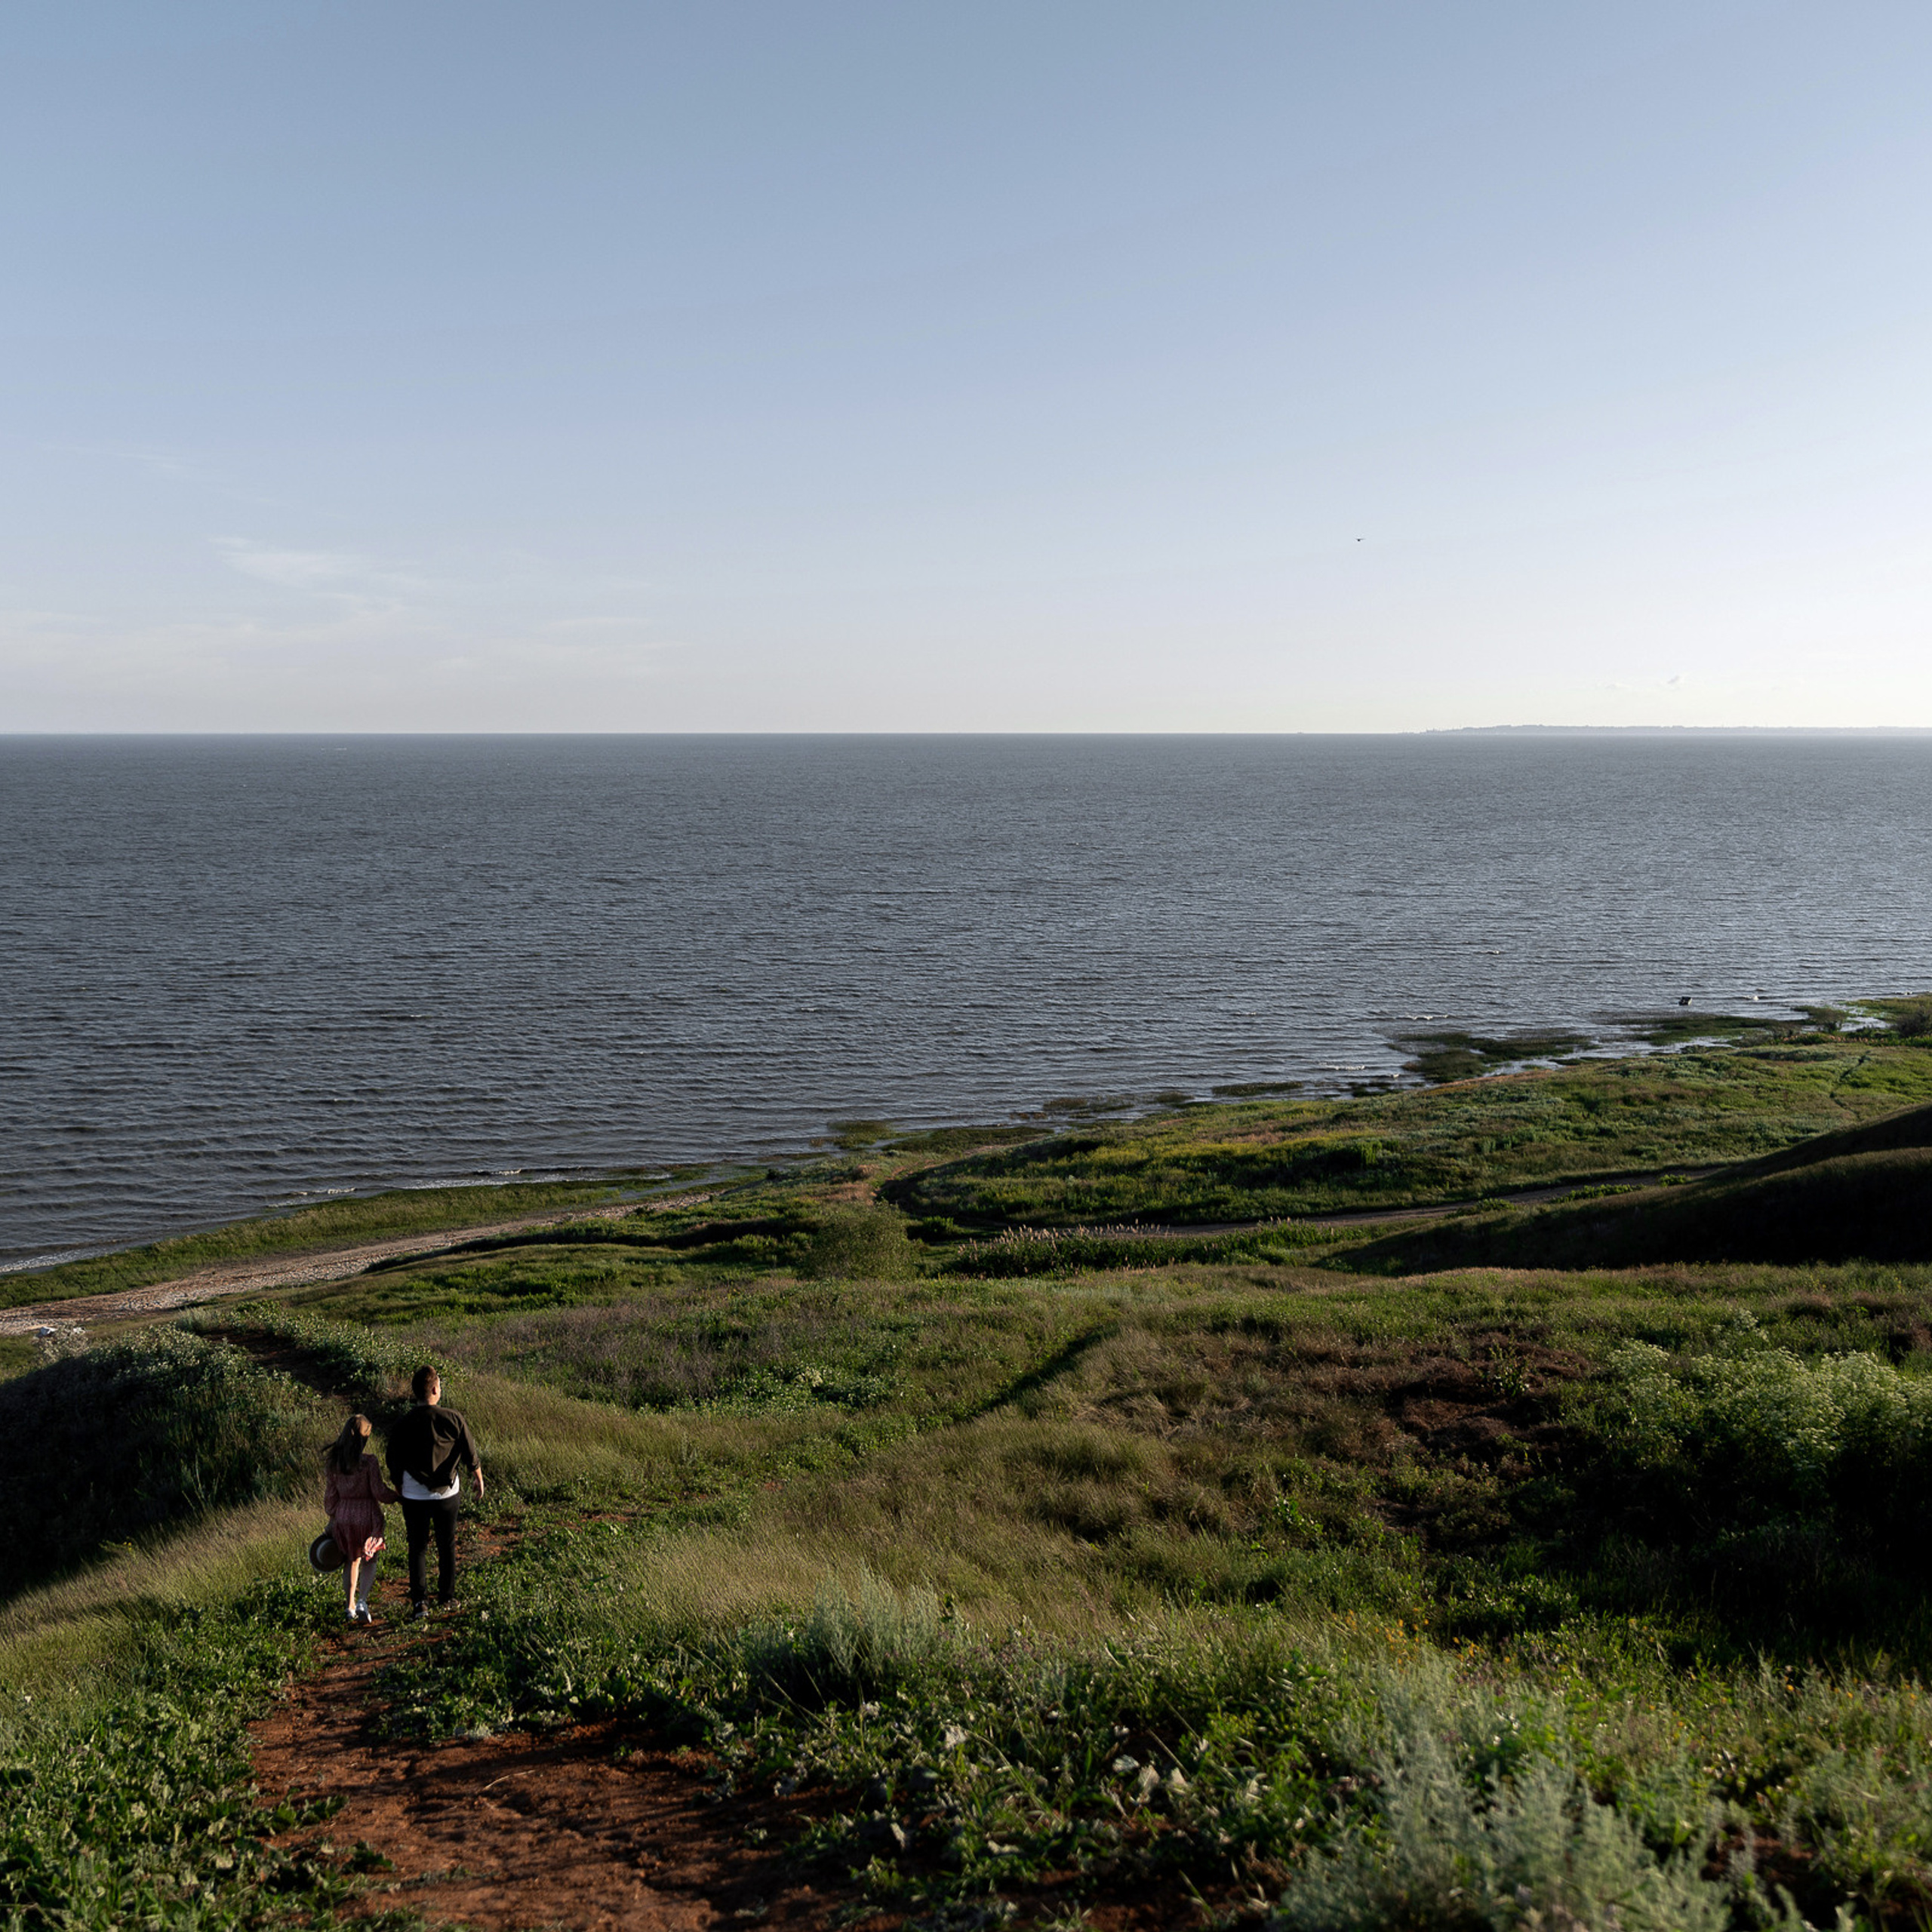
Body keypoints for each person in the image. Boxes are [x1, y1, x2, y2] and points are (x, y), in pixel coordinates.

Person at [386, 1365, 485, 1618]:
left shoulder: (402, 1423)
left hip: (413, 1494)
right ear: (434, 1389)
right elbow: (470, 1452)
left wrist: (399, 1485)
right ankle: (447, 1597)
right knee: (446, 1544)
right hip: (447, 1494)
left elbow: (393, 1459)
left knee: (417, 1547)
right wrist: (478, 1478)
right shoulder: (453, 1417)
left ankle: (420, 1603)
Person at [323, 1413, 399, 1625]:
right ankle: (363, 1601)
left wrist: (333, 1517)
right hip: (367, 1515)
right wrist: (397, 1497)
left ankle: (349, 1606)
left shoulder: (335, 1464)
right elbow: (379, 1491)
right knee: (370, 1559)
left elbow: (330, 1496)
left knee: (351, 1560)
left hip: (344, 1515)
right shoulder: (369, 1462)